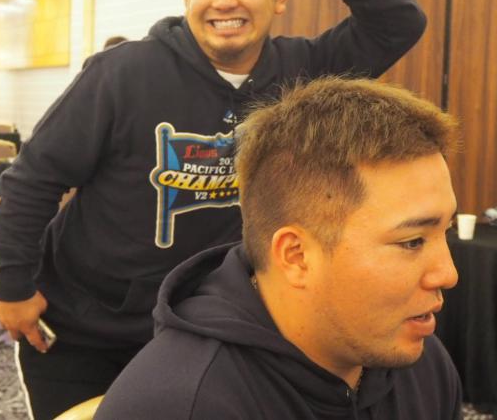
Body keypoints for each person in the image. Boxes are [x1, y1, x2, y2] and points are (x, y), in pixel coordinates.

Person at [0, 0, 427, 419]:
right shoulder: (121, 75)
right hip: (88, 332)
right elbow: (33, 180)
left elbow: (398, 25)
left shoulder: (303, 73)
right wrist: (13, 286)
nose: (223, 0)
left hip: (212, 330)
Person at [95, 76, 462, 419]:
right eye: (412, 241)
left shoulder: (420, 363)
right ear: (296, 256)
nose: (448, 274)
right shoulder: (180, 406)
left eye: (446, 231)